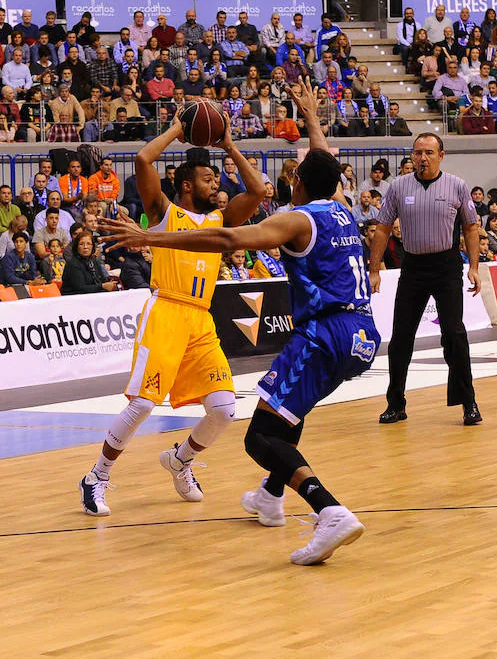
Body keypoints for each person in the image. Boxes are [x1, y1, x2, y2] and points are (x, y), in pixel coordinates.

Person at [101, 78, 380, 566]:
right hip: (363, 335)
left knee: (259, 436)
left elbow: (228, 240)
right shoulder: (342, 209)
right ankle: (270, 498)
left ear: (298, 185)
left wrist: (152, 240)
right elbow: (324, 164)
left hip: (324, 333)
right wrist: (311, 118)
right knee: (286, 415)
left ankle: (328, 509)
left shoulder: (295, 221)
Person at [77, 110, 265, 517]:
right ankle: (96, 477)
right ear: (185, 184)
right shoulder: (165, 212)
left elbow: (258, 193)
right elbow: (143, 161)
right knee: (142, 405)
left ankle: (180, 460)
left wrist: (229, 143)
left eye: (216, 179)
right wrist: (179, 129)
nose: (215, 184)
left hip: (201, 318)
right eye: (207, 179)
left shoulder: (221, 219)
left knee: (224, 409)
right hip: (165, 310)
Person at [368, 133, 483, 427]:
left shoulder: (456, 185)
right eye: (418, 152)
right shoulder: (398, 187)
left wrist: (473, 266)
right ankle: (396, 404)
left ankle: (468, 402)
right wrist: (375, 269)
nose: (422, 158)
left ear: (441, 155)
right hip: (413, 266)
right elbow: (381, 229)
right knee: (400, 339)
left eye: (429, 152)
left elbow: (471, 228)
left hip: (446, 266)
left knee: (454, 335)